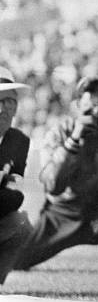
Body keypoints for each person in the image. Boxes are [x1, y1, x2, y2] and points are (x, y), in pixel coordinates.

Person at [16, 77, 98, 273]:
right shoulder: (60, 131)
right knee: (15, 261)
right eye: (88, 108)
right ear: (78, 105)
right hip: (64, 212)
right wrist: (72, 142)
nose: (94, 114)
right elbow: (52, 184)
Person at [0, 67, 33, 284]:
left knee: (22, 225)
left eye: (9, 102)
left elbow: (15, 186)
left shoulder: (19, 140)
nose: (3, 109)